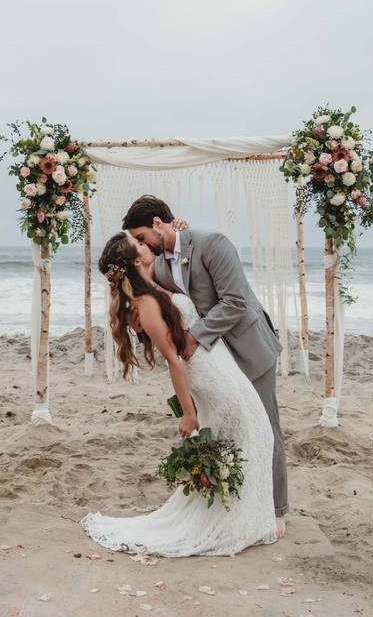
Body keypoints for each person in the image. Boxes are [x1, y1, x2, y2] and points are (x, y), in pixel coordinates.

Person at [80, 231, 277, 556]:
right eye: (140, 244)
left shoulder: (155, 285)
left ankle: (241, 520)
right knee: (254, 435)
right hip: (211, 378)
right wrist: (188, 413)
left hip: (222, 367)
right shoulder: (144, 304)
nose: (146, 245)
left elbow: (176, 253)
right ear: (134, 259)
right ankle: (231, 523)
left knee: (254, 437)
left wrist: (179, 226)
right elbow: (173, 360)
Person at [122, 196, 289, 536]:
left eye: (140, 236)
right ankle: (238, 504)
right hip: (216, 365)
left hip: (248, 348)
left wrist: (194, 337)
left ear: (157, 223)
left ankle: (276, 509)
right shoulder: (162, 265)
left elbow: (236, 301)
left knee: (265, 427)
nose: (140, 244)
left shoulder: (213, 244)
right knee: (230, 428)